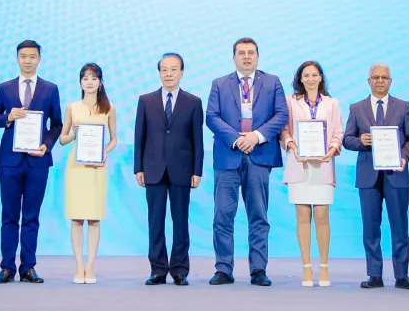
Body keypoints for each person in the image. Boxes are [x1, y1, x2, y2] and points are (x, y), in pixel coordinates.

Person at [206, 37, 289, 286]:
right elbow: (211, 117)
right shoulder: (219, 84)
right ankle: (223, 269)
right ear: (234, 57)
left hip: (259, 155)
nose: (246, 57)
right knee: (223, 215)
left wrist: (256, 136)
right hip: (228, 156)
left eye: (251, 52)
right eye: (241, 53)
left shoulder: (272, 82)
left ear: (258, 56)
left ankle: (258, 270)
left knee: (258, 216)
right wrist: (236, 139)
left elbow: (281, 114)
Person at [0, 39, 64, 283]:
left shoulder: (50, 89)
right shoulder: (5, 87)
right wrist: (8, 117)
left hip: (37, 161)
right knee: (9, 215)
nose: (28, 61)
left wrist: (47, 144)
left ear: (39, 58)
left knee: (31, 216)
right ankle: (7, 267)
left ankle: (28, 267)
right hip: (9, 161)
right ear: (17, 58)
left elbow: (57, 124)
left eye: (32, 56)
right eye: (23, 56)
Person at [342, 63, 409, 290]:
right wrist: (360, 141)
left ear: (390, 81)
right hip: (368, 176)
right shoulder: (357, 108)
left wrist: (403, 157)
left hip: (396, 174)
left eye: (384, 77)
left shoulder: (403, 106)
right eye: (375, 77)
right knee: (370, 227)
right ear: (369, 81)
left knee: (400, 226)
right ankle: (374, 275)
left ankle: (402, 275)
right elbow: (347, 139)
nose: (380, 81)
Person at [133, 52, 203, 286]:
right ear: (159, 73)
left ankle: (180, 270)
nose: (169, 74)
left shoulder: (193, 102)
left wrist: (197, 171)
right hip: (153, 169)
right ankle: (158, 269)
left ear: (181, 72)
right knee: (155, 222)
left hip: (182, 170)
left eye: (173, 69)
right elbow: (139, 136)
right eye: (164, 70)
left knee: (181, 222)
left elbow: (197, 140)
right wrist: (138, 168)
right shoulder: (145, 101)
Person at [279, 60, 343, 287]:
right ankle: (307, 268)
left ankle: (324, 267)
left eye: (314, 75)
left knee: (322, 217)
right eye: (306, 75)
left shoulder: (332, 103)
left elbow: (338, 132)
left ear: (321, 77)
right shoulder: (290, 101)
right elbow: (284, 130)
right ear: (300, 78)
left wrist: (332, 150)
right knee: (303, 216)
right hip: (300, 165)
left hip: (323, 166)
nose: (310, 79)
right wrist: (292, 146)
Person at [59, 63, 117, 284]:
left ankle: (91, 265)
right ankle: (78, 265)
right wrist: (74, 134)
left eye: (94, 78)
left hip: (97, 168)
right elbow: (62, 139)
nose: (90, 82)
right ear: (80, 83)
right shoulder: (72, 107)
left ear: (100, 82)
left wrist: (105, 152)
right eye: (85, 78)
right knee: (76, 218)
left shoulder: (109, 108)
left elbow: (114, 139)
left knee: (94, 218)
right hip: (76, 168)